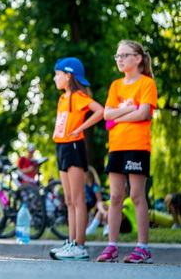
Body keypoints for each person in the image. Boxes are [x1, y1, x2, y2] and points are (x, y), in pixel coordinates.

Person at [96, 40, 157, 263]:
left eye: (124, 55)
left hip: (137, 146)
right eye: (117, 56)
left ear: (137, 59)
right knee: (115, 196)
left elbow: (144, 114)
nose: (119, 59)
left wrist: (119, 116)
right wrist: (132, 108)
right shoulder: (115, 86)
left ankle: (143, 248)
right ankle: (112, 246)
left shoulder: (147, 83)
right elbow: (106, 115)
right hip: (116, 146)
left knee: (136, 196)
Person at [49, 57, 104, 261]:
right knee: (69, 199)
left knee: (78, 199)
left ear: (68, 75)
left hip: (73, 146)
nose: (55, 78)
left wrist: (80, 128)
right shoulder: (63, 98)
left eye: (57, 74)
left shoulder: (78, 96)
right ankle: (71, 243)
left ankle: (80, 246)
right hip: (61, 147)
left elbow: (100, 111)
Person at [84, 167, 108, 236]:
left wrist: (94, 208)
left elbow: (99, 198)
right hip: (89, 204)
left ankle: (93, 226)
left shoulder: (94, 186)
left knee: (92, 213)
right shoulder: (85, 186)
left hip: (95, 205)